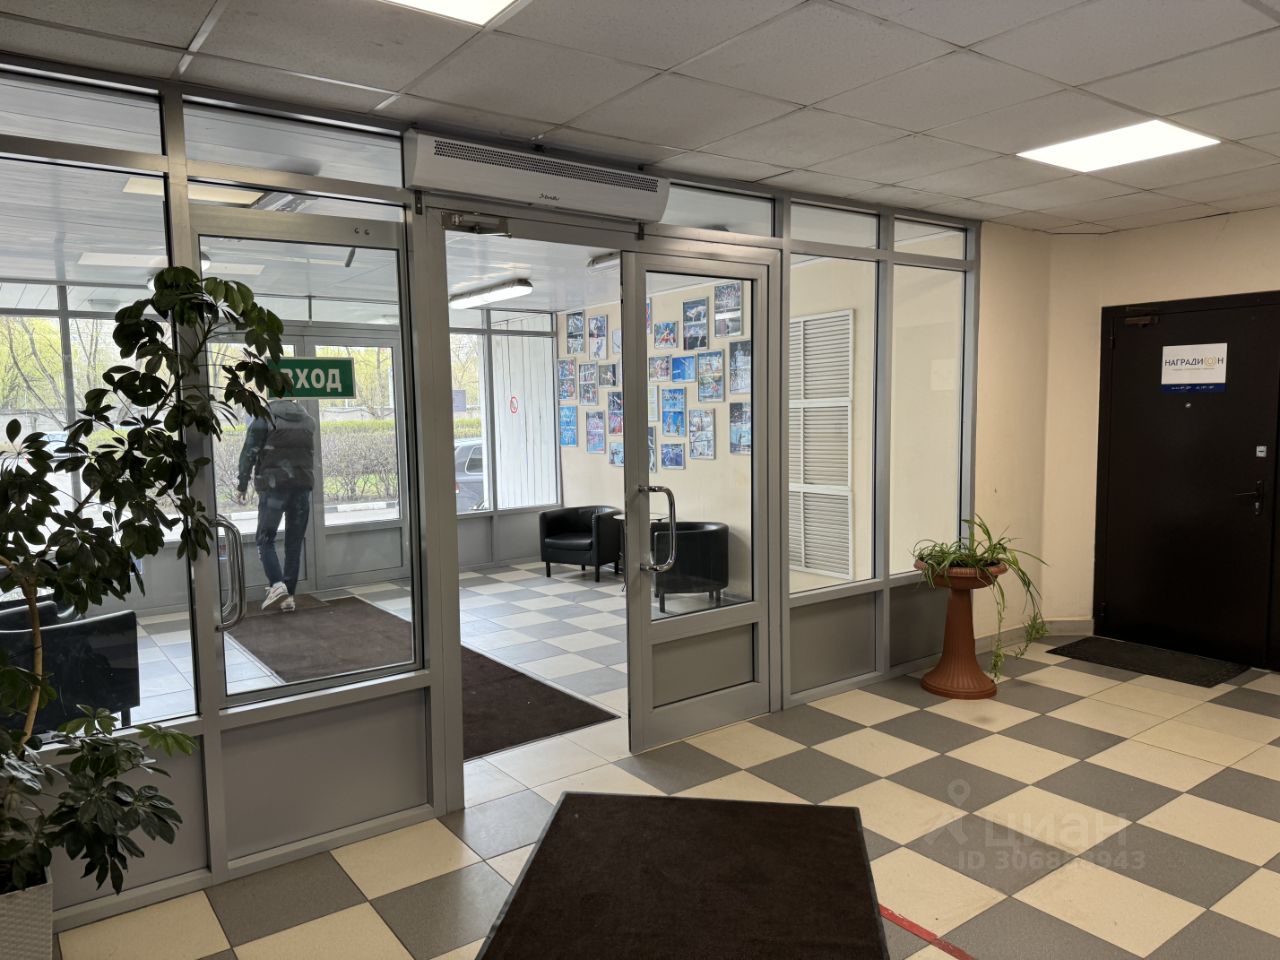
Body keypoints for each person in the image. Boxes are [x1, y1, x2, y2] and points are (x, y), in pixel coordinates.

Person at [236, 398, 316, 613]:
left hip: (274, 487)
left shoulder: (264, 417)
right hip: (302, 487)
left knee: (265, 538)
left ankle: (277, 584)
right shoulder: (308, 420)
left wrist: (242, 484)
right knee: (294, 542)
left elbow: (249, 451)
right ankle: (288, 596)